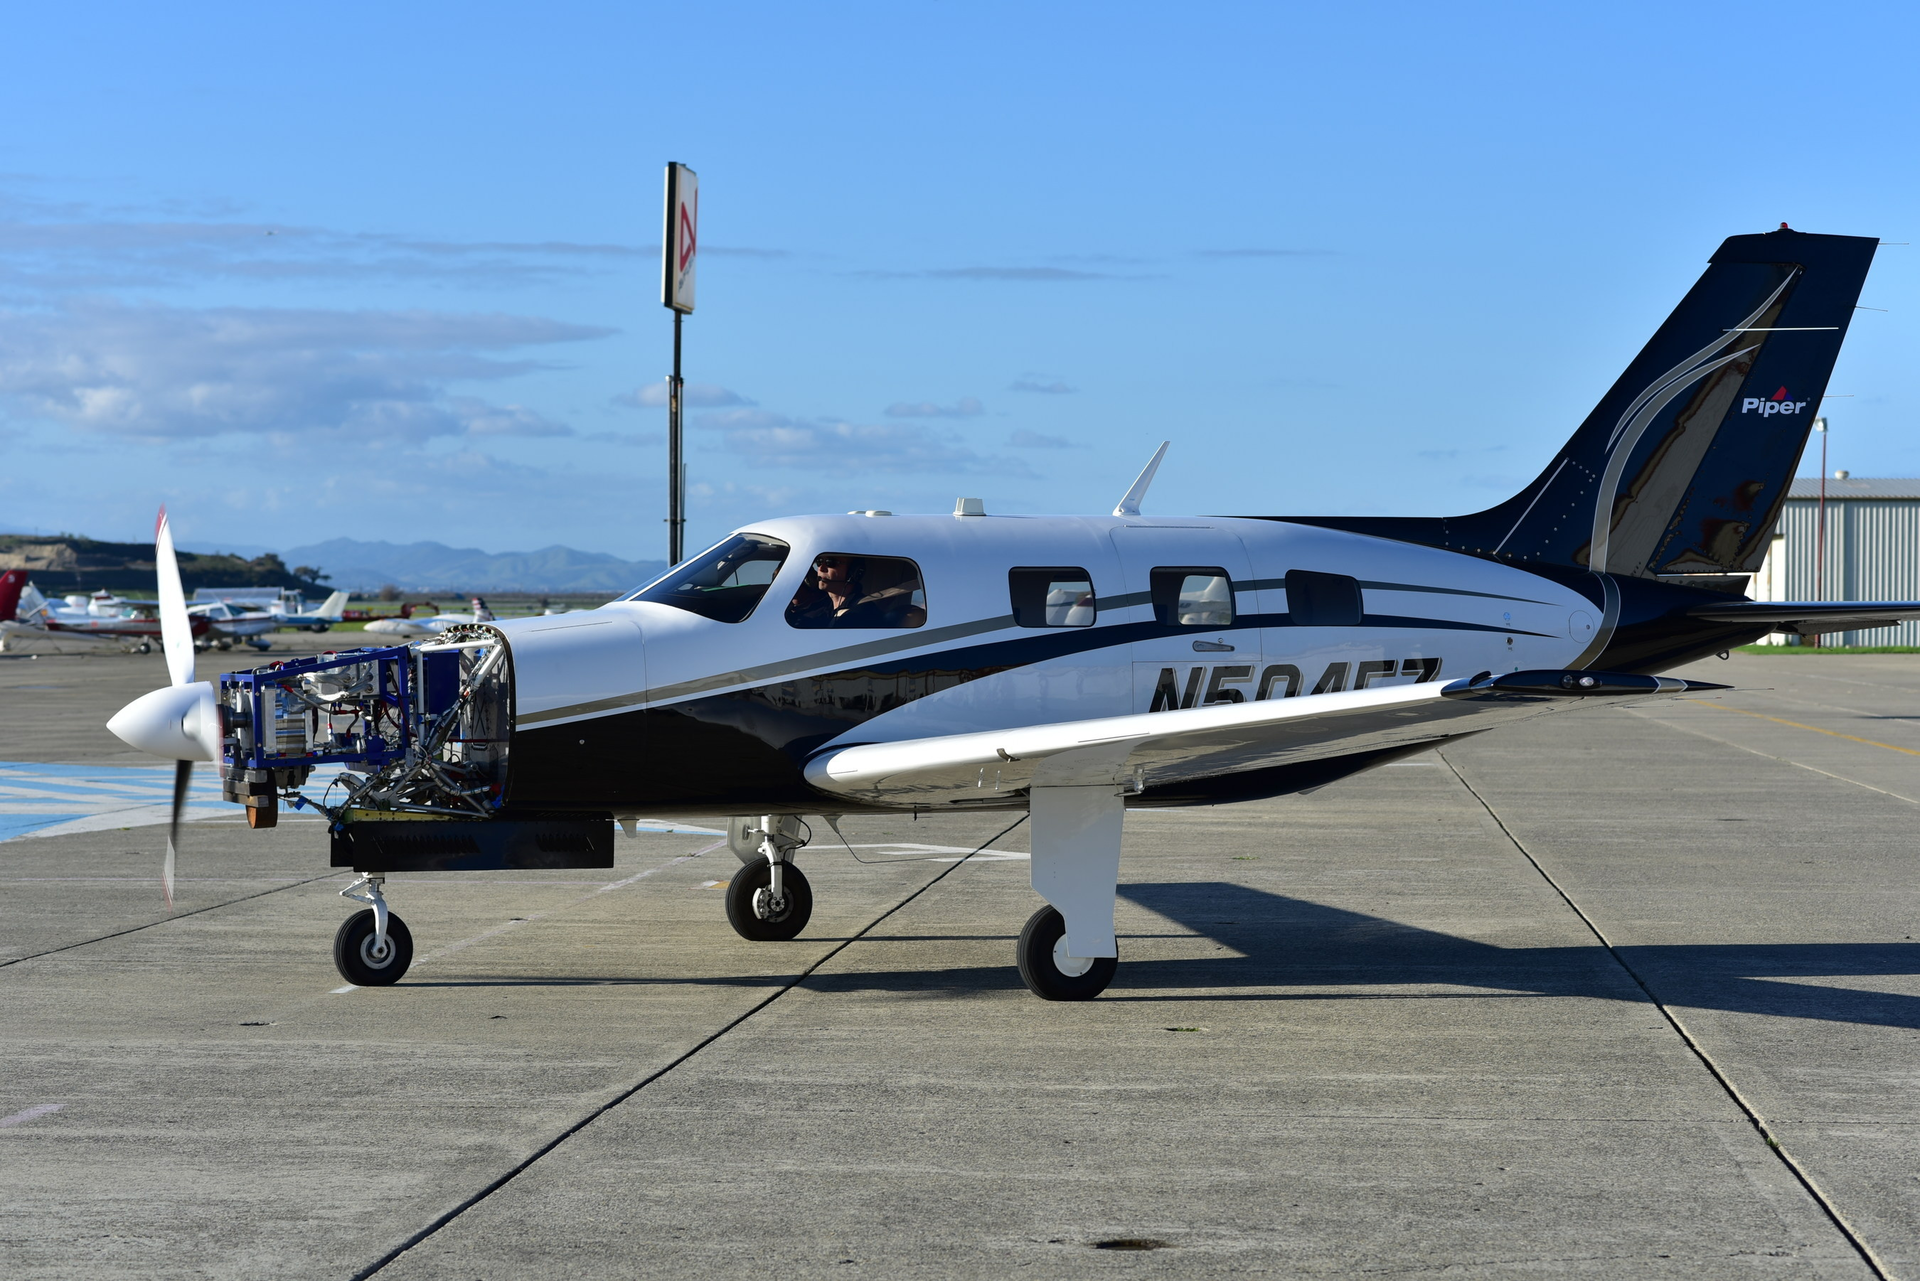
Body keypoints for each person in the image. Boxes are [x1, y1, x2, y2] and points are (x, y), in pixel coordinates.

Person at [786, 555, 925, 629]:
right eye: (819, 561)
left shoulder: (861, 614)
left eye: (831, 562)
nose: (821, 568)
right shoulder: (824, 608)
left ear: (854, 572)